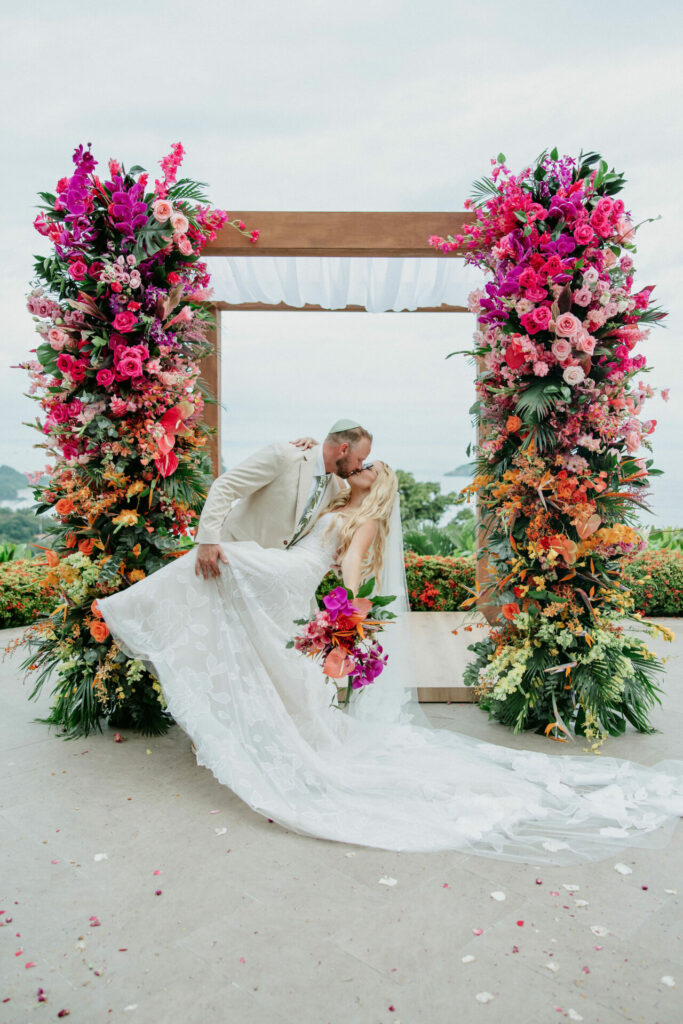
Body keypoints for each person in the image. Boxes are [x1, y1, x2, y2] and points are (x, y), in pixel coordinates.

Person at [97, 461, 683, 864]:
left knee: (219, 562)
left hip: (294, 574)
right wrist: (308, 452)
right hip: (285, 567)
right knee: (218, 564)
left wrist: (350, 613)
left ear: (380, 485)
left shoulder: (366, 518)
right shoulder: (334, 497)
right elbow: (303, 489)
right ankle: (135, 611)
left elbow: (350, 565)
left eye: (368, 470)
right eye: (358, 466)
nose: (359, 471)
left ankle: (127, 610)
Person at [194, 420, 371, 580]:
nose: (360, 467)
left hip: (270, 579)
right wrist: (208, 540)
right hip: (226, 560)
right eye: (360, 459)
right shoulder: (286, 455)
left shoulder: (336, 489)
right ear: (344, 449)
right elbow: (226, 486)